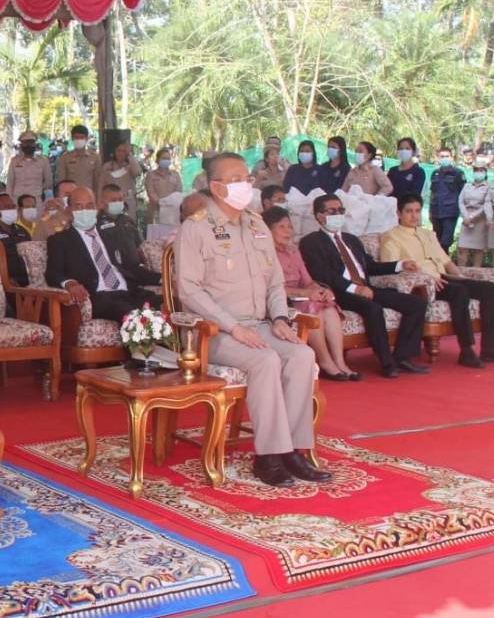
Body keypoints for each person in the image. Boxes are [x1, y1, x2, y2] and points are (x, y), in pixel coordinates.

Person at [175, 154, 324, 487]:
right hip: (215, 332)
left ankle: (293, 451)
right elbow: (189, 291)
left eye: (247, 178)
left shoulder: (257, 225)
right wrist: (234, 327)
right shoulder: (196, 228)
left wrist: (281, 318)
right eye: (237, 179)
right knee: (265, 360)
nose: (246, 185)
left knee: (302, 354)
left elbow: (274, 282)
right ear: (216, 187)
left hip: (260, 325)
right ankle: (269, 456)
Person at [380, 195, 494, 367]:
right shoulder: (391, 237)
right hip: (422, 285)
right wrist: (426, 278)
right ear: (398, 213)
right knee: (459, 291)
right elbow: (393, 268)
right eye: (409, 211)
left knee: (489, 288)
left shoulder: (427, 234)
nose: (414, 216)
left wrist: (462, 277)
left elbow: (446, 262)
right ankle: (466, 351)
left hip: (443, 278)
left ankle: (490, 349)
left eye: (417, 211)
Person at [299, 194, 428, 377]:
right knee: (373, 308)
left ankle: (402, 357)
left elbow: (370, 266)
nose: (338, 214)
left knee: (416, 303)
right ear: (319, 216)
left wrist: (400, 265)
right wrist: (355, 289)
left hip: (365, 288)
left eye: (341, 210)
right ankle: (387, 364)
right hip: (340, 293)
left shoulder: (352, 239)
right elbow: (323, 275)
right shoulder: (311, 242)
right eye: (332, 211)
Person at [264, 206, 356, 382]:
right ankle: (325, 362)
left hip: (303, 297)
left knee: (329, 308)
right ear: (268, 230)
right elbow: (270, 288)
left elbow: (308, 281)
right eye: (281, 227)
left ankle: (340, 362)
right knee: (313, 308)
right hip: (280, 301)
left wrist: (320, 289)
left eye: (290, 227)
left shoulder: (293, 251)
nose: (288, 231)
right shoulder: (264, 254)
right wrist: (305, 293)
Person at [45, 185, 162, 324]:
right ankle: (142, 335)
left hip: (128, 292)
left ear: (96, 208)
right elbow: (53, 273)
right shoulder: (60, 240)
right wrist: (70, 283)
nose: (85, 211)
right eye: (79, 207)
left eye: (90, 206)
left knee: (167, 303)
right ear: (69, 210)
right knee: (130, 314)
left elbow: (131, 267)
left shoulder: (110, 235)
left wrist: (163, 279)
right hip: (99, 296)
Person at [456, 161, 491, 268]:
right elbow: (460, 201)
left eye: (481, 170)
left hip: (479, 220)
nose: (478, 172)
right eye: (476, 170)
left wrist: (472, 217)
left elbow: (486, 205)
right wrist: (466, 216)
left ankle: (476, 274)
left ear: (485, 172)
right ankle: (460, 273)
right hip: (466, 219)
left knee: (478, 250)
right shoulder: (467, 185)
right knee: (462, 248)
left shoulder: (488, 187)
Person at [430, 147, 465, 251]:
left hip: (450, 213)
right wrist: (430, 211)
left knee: (445, 242)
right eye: (442, 156)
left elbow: (463, 193)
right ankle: (439, 261)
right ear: (438, 158)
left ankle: (445, 261)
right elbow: (432, 192)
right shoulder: (435, 173)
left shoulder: (458, 173)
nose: (444, 158)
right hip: (436, 212)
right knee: (436, 241)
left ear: (451, 158)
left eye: (447, 156)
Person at [56, 124, 103, 194]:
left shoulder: (95, 157)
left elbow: (98, 181)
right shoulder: (65, 158)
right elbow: (61, 181)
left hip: (89, 196)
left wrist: (97, 198)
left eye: (82, 137)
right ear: (72, 138)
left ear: (86, 138)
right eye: (76, 137)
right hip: (71, 196)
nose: (79, 140)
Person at [101, 140, 142, 217]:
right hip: (111, 202)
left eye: (124, 151)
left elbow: (138, 172)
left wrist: (130, 155)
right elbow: (101, 185)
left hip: (128, 202)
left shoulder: (130, 166)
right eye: (119, 150)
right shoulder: (107, 166)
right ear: (114, 151)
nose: (121, 153)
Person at [144, 147, 181, 224]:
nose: (166, 160)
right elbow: (151, 193)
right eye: (163, 158)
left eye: (168, 158)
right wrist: (162, 204)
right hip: (156, 211)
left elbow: (178, 192)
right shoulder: (151, 175)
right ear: (157, 160)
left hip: (172, 212)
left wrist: (171, 205)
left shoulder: (175, 175)